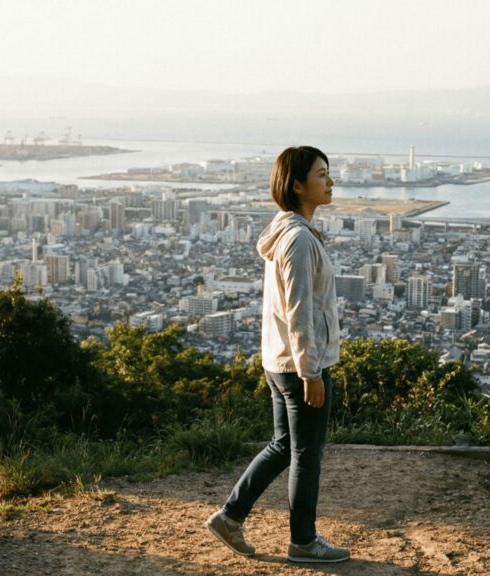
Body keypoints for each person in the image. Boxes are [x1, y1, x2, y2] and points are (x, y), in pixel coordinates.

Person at [206, 146, 350, 563]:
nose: (330, 182)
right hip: (300, 364)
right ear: (298, 185)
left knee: (283, 446)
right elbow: (300, 311)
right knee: (306, 454)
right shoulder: (299, 239)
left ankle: (230, 517)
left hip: (279, 360)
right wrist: (311, 372)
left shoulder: (285, 231)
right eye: (321, 174)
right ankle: (303, 541)